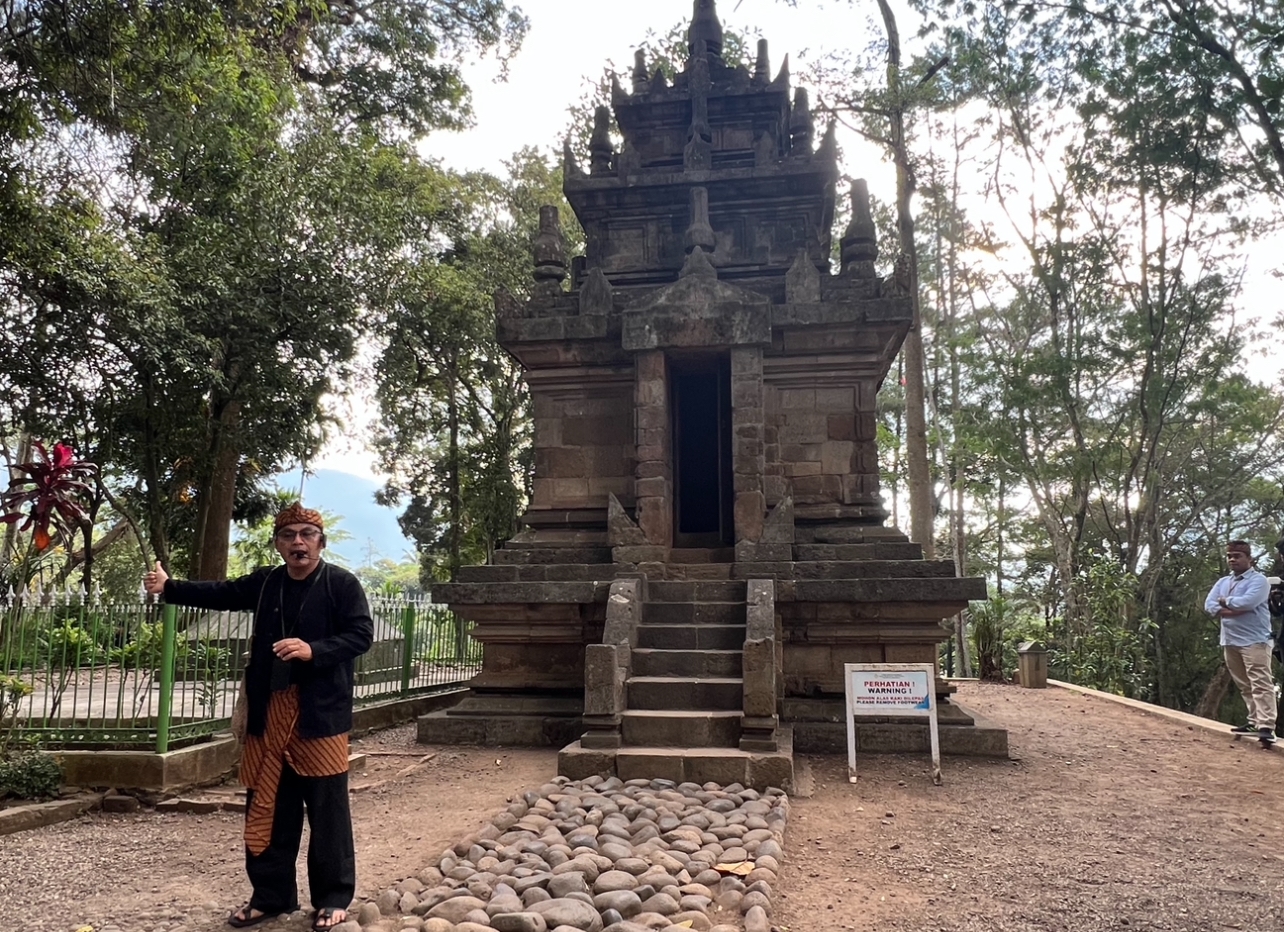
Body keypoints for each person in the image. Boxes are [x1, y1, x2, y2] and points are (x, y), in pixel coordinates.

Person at [144, 503, 373, 930]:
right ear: (279, 543)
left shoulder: (342, 584)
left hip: (318, 719)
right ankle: (272, 897)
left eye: (307, 534)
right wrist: (169, 586)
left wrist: (313, 650)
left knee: (327, 812)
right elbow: (222, 592)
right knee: (267, 804)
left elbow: (361, 635)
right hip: (267, 715)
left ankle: (333, 897)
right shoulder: (267, 583)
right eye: (289, 536)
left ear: (321, 542)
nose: (298, 543)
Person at [1204, 540, 1276, 745]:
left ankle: (1266, 726)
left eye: (1237, 556)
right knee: (1244, 684)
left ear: (1249, 559)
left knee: (1261, 682)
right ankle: (1253, 721)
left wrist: (1225, 602)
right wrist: (1232, 607)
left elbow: (1248, 602)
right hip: (1230, 640)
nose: (1232, 559)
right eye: (1230, 556)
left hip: (1255, 641)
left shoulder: (1259, 581)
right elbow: (1209, 606)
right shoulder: (1223, 582)